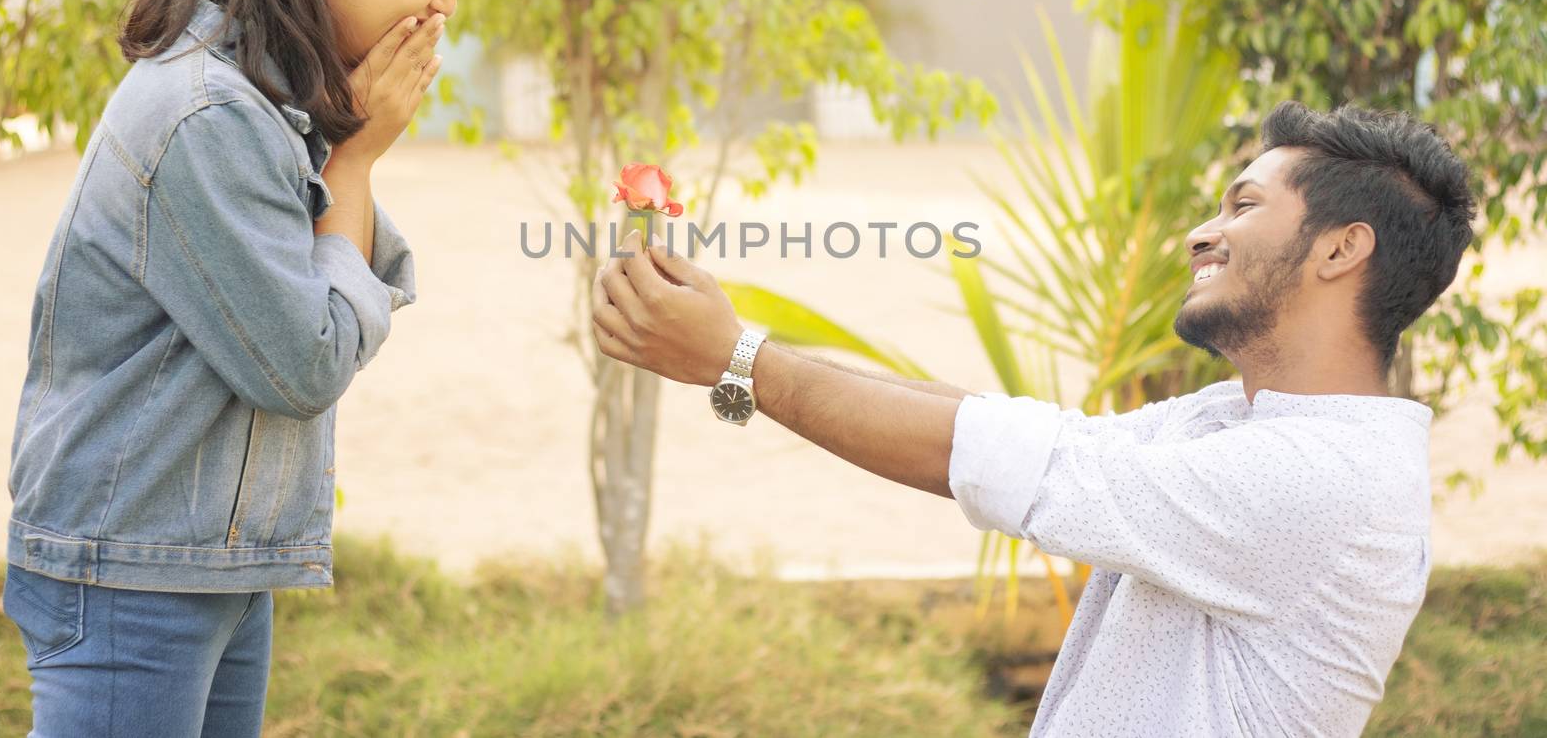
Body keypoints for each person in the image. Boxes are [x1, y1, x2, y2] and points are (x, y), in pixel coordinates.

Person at [593, 101, 1476, 737]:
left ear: (1340, 247)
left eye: (1243, 206)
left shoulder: (1323, 481)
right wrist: (742, 350)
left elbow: (1007, 463)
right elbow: (1019, 434)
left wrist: (736, 361)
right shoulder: (1241, 421)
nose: (1202, 234)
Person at [1, 0, 497, 737]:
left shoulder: (269, 99)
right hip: (132, 570)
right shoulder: (208, 116)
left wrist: (343, 147)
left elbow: (328, 276)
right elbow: (306, 359)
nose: (445, 1)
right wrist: (355, 159)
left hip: (205, 563)